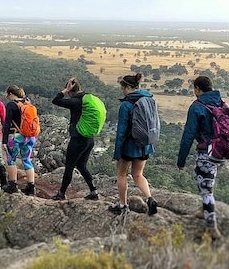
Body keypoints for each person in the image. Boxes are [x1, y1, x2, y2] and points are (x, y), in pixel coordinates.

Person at [177, 75, 225, 236]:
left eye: (194, 88)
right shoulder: (221, 102)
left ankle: (212, 226)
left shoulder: (197, 106)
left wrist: (181, 161)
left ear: (197, 88)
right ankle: (203, 208)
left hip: (207, 152)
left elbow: (188, 135)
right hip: (220, 151)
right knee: (201, 176)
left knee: (206, 188)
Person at [110, 72, 158, 215]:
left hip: (129, 146)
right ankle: (150, 198)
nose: (122, 91)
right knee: (138, 174)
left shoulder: (126, 104)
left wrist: (117, 152)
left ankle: (123, 205)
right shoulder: (149, 100)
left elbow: (121, 131)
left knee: (122, 174)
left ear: (127, 87)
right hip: (145, 144)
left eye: (123, 88)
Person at [50, 77, 99, 200]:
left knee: (70, 166)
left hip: (78, 139)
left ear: (71, 91)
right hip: (89, 139)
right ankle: (94, 191)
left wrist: (65, 90)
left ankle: (61, 193)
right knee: (82, 166)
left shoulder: (76, 102)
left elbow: (55, 100)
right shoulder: (87, 99)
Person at [2, 85, 37, 195]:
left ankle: (12, 186)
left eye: (8, 95)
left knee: (11, 160)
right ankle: (31, 187)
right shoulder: (27, 103)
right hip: (30, 137)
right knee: (26, 159)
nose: (8, 97)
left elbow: (7, 123)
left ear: (11, 94)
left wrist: (4, 141)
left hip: (15, 136)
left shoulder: (11, 105)